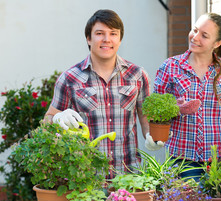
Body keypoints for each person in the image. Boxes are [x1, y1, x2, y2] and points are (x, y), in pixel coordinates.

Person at [44, 9, 150, 176]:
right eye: (99, 33)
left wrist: (151, 136)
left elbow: (145, 117)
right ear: (88, 38)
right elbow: (48, 119)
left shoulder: (137, 75)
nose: (107, 39)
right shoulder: (70, 78)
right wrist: (57, 118)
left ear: (120, 39)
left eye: (113, 34)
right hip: (86, 176)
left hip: (129, 175)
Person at [145, 13, 221, 180]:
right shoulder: (170, 67)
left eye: (204, 35)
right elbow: (155, 110)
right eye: (195, 30)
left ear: (217, 43)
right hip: (183, 157)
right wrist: (175, 109)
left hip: (219, 158)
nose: (195, 37)